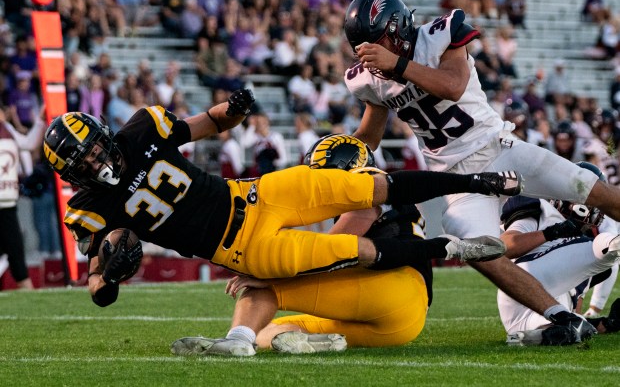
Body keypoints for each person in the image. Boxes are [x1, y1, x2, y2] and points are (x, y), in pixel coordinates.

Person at [42, 89, 518, 308]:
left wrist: (234, 110)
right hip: (241, 249)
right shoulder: (88, 210)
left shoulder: (142, 128)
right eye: (81, 163)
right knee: (351, 250)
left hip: (253, 195)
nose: (94, 162)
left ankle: (480, 183)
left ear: (105, 135)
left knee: (366, 185)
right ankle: (450, 250)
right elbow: (97, 285)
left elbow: (208, 122)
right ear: (70, 174)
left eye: (95, 150)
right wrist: (109, 279)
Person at [343, 0, 620, 344]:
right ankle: (562, 317)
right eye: (361, 47)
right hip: (455, 179)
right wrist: (341, 155)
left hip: (500, 150)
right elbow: (370, 134)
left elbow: (453, 86)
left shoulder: (441, 35)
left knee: (591, 189)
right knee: (478, 248)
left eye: (375, 42)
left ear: (396, 28)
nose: (368, 55)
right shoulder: (369, 80)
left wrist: (397, 65)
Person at [171, 134, 498, 356]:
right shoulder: (383, 185)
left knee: (264, 288)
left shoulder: (367, 188)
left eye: (321, 174)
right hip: (402, 320)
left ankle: (236, 343)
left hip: (393, 286)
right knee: (272, 329)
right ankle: (313, 344)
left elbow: (330, 250)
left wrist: (272, 273)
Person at [499, 163, 620, 345]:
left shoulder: (581, 248)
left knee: (576, 327)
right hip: (522, 282)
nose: (593, 205)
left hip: (524, 317)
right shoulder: (544, 211)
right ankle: (615, 243)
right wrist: (552, 232)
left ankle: (537, 337)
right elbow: (505, 247)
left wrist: (608, 324)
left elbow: (574, 308)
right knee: (604, 249)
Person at [0, 106, 46, 290]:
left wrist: (40, 122)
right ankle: (26, 286)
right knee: (14, 251)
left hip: (8, 204)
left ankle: (26, 287)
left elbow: (29, 143)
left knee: (15, 251)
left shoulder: (7, 130)